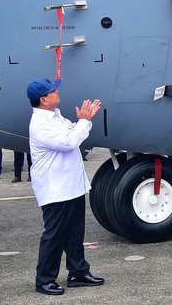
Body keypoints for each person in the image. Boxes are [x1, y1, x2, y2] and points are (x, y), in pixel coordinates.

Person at [27, 77, 104, 296]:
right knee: (55, 234)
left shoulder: (55, 116)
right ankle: (44, 279)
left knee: (74, 231)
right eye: (53, 91)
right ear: (44, 99)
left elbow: (73, 134)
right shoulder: (41, 124)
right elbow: (69, 142)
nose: (58, 92)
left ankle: (78, 272)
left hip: (71, 186)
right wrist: (84, 122)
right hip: (56, 189)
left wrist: (82, 122)